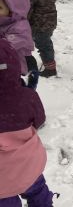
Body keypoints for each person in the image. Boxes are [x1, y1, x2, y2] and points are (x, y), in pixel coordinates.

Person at [0, 39, 57, 206]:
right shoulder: (26, 96)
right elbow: (39, 119)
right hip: (28, 164)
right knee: (38, 190)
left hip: (2, 178)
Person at [0, 0, 36, 88]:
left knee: (13, 95)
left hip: (18, 69)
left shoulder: (20, 27)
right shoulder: (3, 21)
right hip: (4, 66)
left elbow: (7, 46)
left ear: (13, 10)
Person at [27, 0, 58, 78]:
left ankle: (50, 69)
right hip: (50, 22)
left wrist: (24, 20)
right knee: (46, 43)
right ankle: (50, 62)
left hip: (38, 24)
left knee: (43, 45)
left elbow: (27, 8)